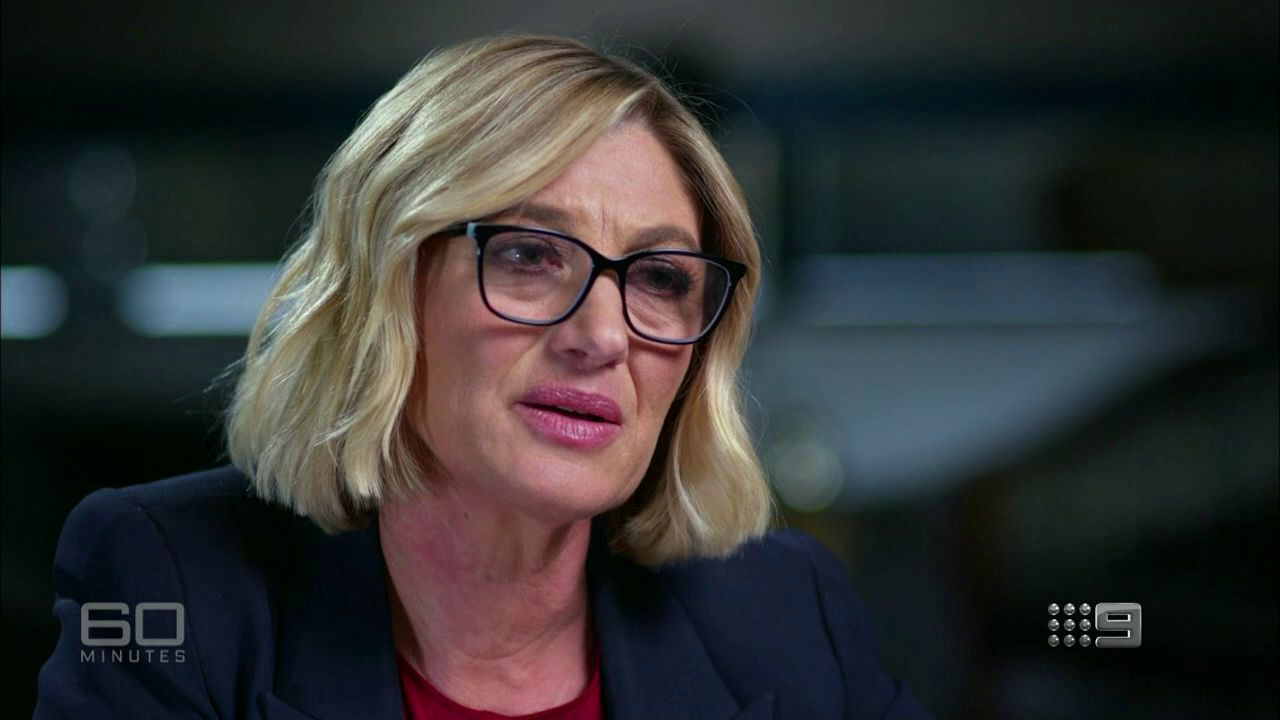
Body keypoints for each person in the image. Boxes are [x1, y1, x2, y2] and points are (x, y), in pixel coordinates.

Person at [35, 34, 931, 719]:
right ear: (389, 287)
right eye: (530, 255)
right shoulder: (169, 582)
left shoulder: (786, 609)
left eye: (660, 279)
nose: (601, 337)